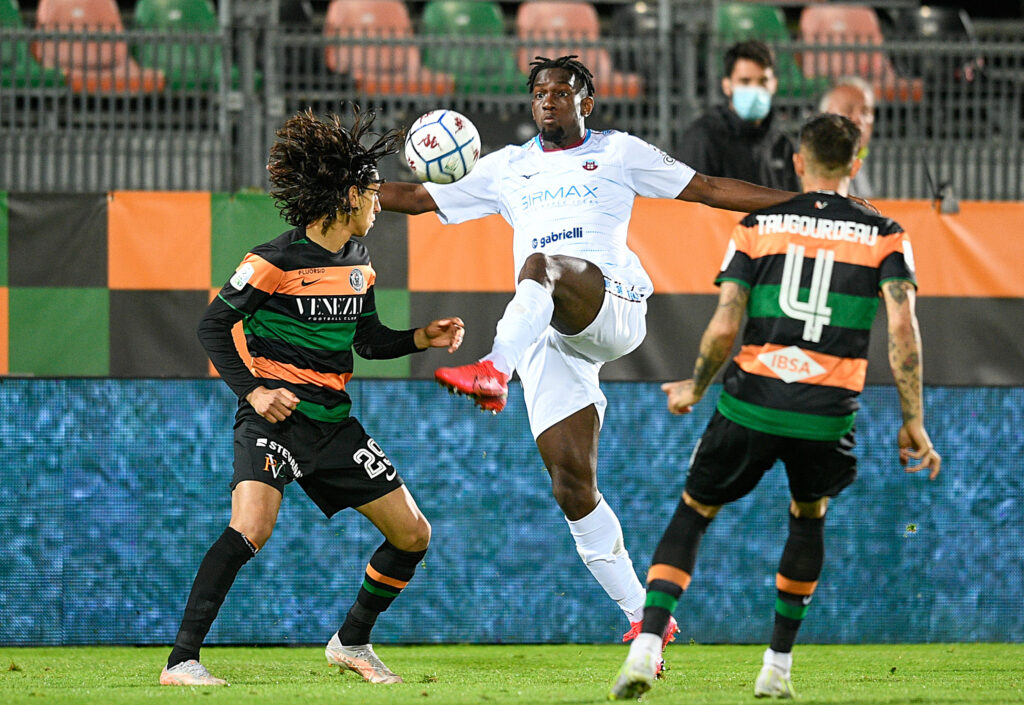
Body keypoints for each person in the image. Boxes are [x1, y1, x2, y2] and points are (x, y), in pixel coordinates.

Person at [378, 55, 850, 667]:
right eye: (540, 93)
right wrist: (343, 187)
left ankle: (493, 368)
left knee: (541, 264)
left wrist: (805, 204)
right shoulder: (505, 167)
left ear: (587, 103)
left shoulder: (619, 152)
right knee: (572, 486)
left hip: (612, 304)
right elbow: (415, 197)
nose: (549, 100)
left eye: (562, 91)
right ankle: (643, 619)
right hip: (548, 331)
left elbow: (707, 188)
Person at [609, 113, 941, 700]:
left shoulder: (757, 226)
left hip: (751, 403)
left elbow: (725, 323)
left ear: (798, 162)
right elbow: (903, 330)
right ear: (856, 164)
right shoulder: (887, 234)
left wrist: (695, 387)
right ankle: (776, 668)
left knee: (694, 512)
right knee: (808, 514)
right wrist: (913, 418)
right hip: (826, 412)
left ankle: (646, 647)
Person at [159, 108, 465, 687]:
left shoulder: (359, 263)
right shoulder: (272, 261)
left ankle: (352, 642)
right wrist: (254, 393)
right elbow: (212, 326)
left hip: (333, 425)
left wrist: (421, 338)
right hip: (275, 421)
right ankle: (181, 661)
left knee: (413, 535)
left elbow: (367, 342)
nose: (379, 204)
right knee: (250, 528)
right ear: (348, 196)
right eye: (373, 192)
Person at [677, 40, 799, 191]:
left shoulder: (782, 144)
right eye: (745, 81)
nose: (755, 89)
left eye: (763, 81)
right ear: (727, 85)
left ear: (774, 84)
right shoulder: (704, 137)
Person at [820, 76, 877, 198]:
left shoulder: (864, 164)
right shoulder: (813, 168)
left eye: (865, 112)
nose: (858, 119)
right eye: (848, 110)